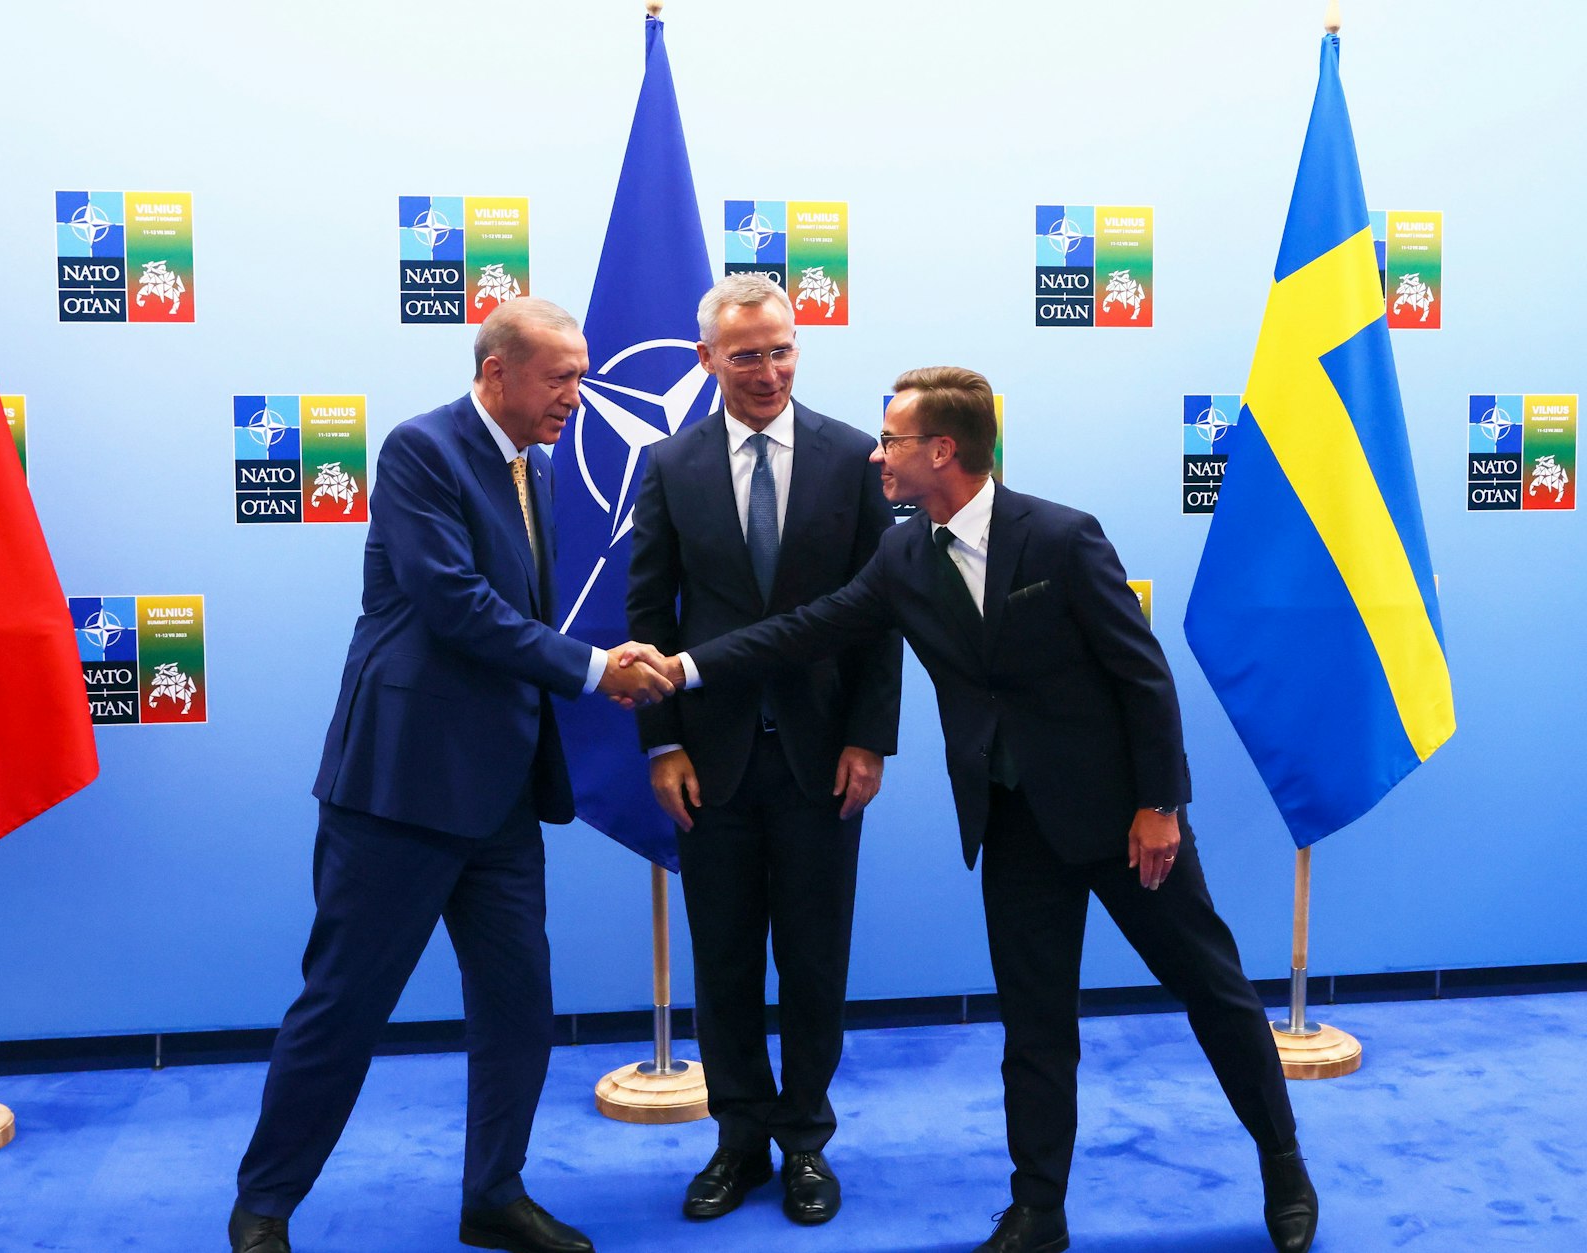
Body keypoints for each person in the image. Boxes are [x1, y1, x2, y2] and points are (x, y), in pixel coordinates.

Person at [632, 367, 1319, 1253]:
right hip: (1012, 823)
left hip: (1123, 822)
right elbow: (807, 628)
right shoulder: (904, 553)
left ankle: (1283, 1163)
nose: (877, 455)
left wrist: (1160, 803)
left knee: (1214, 992)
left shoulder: (1063, 537)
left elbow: (1143, 678)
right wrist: (683, 669)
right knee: (1034, 1025)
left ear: (943, 450)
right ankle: (1039, 1209)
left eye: (894, 441)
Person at [229, 299, 675, 1253]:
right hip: (401, 787)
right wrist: (597, 669)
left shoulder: (540, 468)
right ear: (495, 370)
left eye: (582, 376)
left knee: (518, 1007)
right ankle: (264, 1206)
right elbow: (458, 606)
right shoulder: (418, 449)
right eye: (559, 377)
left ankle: (493, 1194)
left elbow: (515, 616)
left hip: (503, 796)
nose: (576, 396)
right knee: (343, 1006)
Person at [624, 274, 901, 1227]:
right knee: (728, 958)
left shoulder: (855, 457)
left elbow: (881, 618)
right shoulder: (668, 465)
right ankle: (739, 1137)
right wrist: (660, 743)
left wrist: (871, 738)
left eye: (782, 349)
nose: (768, 369)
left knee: (817, 960)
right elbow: (648, 616)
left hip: (826, 758)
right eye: (746, 354)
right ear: (707, 360)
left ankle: (806, 1142)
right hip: (712, 761)